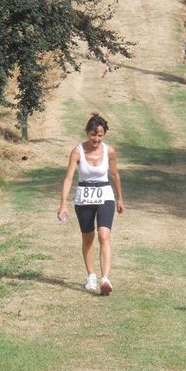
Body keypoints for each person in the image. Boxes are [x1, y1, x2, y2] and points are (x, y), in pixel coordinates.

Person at [58, 114, 124, 295]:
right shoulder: (77, 151)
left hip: (105, 196)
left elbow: (115, 175)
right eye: (93, 135)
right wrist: (63, 203)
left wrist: (119, 198)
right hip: (84, 198)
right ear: (87, 133)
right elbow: (69, 178)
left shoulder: (109, 151)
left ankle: (106, 279)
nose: (96, 139)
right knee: (88, 238)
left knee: (104, 235)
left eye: (100, 135)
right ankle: (91, 276)